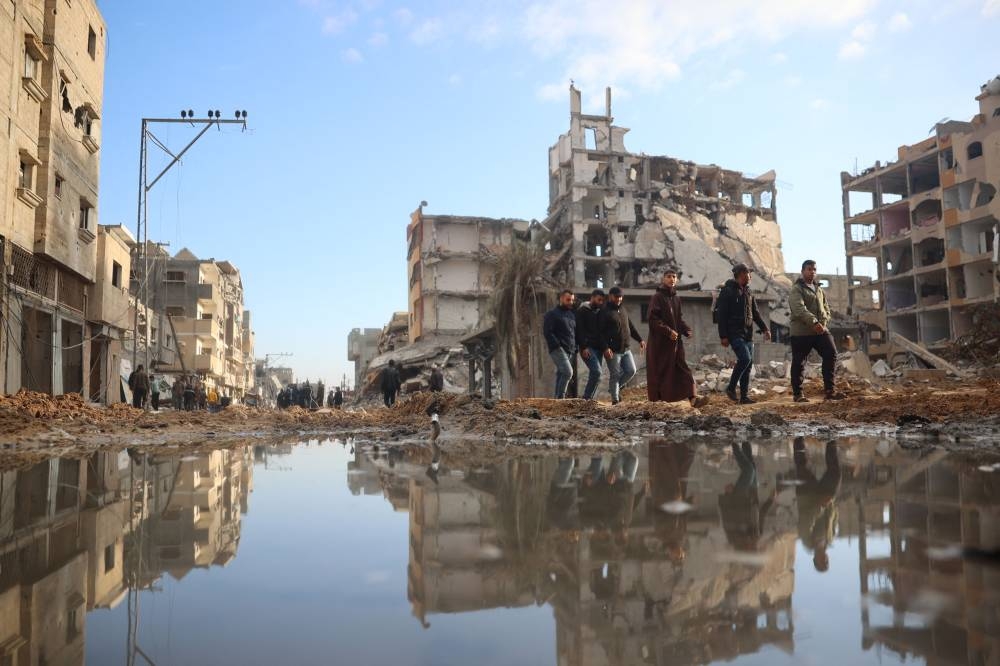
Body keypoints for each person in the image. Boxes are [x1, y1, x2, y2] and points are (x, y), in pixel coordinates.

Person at [646, 270, 708, 407]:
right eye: (668, 277)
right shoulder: (657, 297)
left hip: (675, 344)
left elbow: (678, 319)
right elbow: (653, 319)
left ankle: (693, 398)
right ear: (663, 279)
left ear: (677, 280)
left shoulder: (676, 298)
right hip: (660, 345)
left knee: (683, 369)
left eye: (674, 277)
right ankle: (658, 403)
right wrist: (668, 331)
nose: (671, 279)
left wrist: (686, 330)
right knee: (661, 373)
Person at [789, 259, 844, 402]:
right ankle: (798, 394)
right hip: (802, 333)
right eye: (809, 269)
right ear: (802, 271)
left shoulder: (819, 289)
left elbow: (826, 308)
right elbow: (799, 309)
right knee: (799, 362)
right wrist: (814, 322)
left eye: (814, 269)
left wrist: (823, 323)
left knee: (831, 353)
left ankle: (830, 391)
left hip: (820, 331)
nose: (812, 272)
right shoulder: (797, 289)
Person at [716, 263, 771, 404]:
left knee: (748, 365)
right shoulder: (727, 291)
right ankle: (731, 387)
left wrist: (765, 329)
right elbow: (721, 315)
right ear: (740, 274)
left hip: (748, 333)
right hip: (734, 333)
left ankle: (744, 397)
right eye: (748, 273)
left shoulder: (748, 292)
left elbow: (756, 313)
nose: (750, 276)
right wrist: (723, 336)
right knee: (745, 359)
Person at [792, 438, 841, 572]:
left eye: (821, 562)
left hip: (807, 496)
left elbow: (805, 520)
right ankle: (831, 439)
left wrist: (820, 505)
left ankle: (798, 438)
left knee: (801, 467)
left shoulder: (806, 541)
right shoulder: (830, 539)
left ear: (815, 559)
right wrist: (832, 503)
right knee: (835, 473)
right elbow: (834, 518)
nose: (824, 559)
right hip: (825, 496)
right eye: (826, 561)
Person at [599, 286, 645, 404]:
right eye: (616, 297)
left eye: (620, 297)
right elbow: (600, 333)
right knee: (615, 374)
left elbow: (631, 327)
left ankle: (614, 388)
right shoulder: (604, 311)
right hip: (613, 350)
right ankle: (615, 400)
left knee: (631, 370)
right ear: (610, 297)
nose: (619, 299)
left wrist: (640, 340)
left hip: (625, 348)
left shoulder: (622, 309)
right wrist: (605, 348)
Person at [543, 289, 577, 399]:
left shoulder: (571, 315)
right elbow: (547, 332)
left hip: (570, 350)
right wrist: (557, 345)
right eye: (568, 300)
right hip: (558, 349)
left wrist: (575, 347)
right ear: (561, 299)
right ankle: (561, 398)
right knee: (568, 372)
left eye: (572, 300)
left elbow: (573, 332)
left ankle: (557, 401)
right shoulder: (552, 314)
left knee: (562, 373)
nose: (570, 302)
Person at [575, 288, 606, 400]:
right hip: (588, 347)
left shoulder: (599, 311)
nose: (600, 302)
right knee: (596, 372)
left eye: (602, 300)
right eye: (599, 300)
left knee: (597, 375)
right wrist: (583, 347)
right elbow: (579, 330)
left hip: (598, 348)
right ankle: (586, 398)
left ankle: (589, 400)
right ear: (592, 298)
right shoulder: (582, 310)